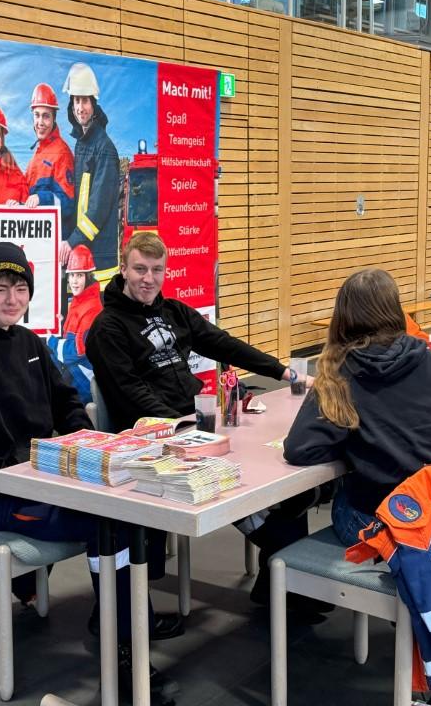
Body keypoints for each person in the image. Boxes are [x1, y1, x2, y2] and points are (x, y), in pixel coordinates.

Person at [0, 242, 180, 702]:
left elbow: (66, 401)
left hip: (35, 481)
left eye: (20, 289)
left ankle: (122, 623)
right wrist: (20, 473)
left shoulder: (28, 342)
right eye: (0, 289)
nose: (11, 299)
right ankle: (124, 650)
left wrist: (84, 440)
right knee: (111, 523)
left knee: (127, 507)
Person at [86, 231, 322, 612]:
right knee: (264, 501)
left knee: (287, 483)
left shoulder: (174, 312)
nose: (149, 279)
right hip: (157, 442)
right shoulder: (107, 328)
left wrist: (286, 373)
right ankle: (291, 585)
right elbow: (130, 394)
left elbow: (224, 344)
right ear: (124, 269)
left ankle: (284, 587)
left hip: (196, 429)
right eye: (140, 269)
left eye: (157, 270)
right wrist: (185, 428)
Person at [282, 268, 431, 546]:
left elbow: (299, 449)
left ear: (342, 317)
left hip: (382, 521)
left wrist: (354, 445)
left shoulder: (339, 374)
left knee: (337, 497)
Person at [63, 62, 120, 285]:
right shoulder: (82, 144)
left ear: (94, 104)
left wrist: (72, 241)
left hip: (100, 260)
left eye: (85, 100)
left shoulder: (104, 147)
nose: (80, 107)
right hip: (84, 253)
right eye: (76, 101)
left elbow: (98, 208)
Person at [47, 244, 102, 404]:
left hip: (82, 384)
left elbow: (76, 352)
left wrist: (51, 341)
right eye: (72, 275)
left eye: (79, 275)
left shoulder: (92, 309)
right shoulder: (80, 300)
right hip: (74, 375)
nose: (74, 281)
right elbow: (72, 336)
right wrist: (60, 325)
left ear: (88, 277)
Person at [25, 83, 75, 231]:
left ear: (54, 118)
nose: (40, 122)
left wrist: (41, 198)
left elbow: (68, 203)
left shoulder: (62, 152)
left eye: (46, 116)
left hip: (54, 238)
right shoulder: (36, 155)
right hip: (35, 234)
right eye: (37, 115)